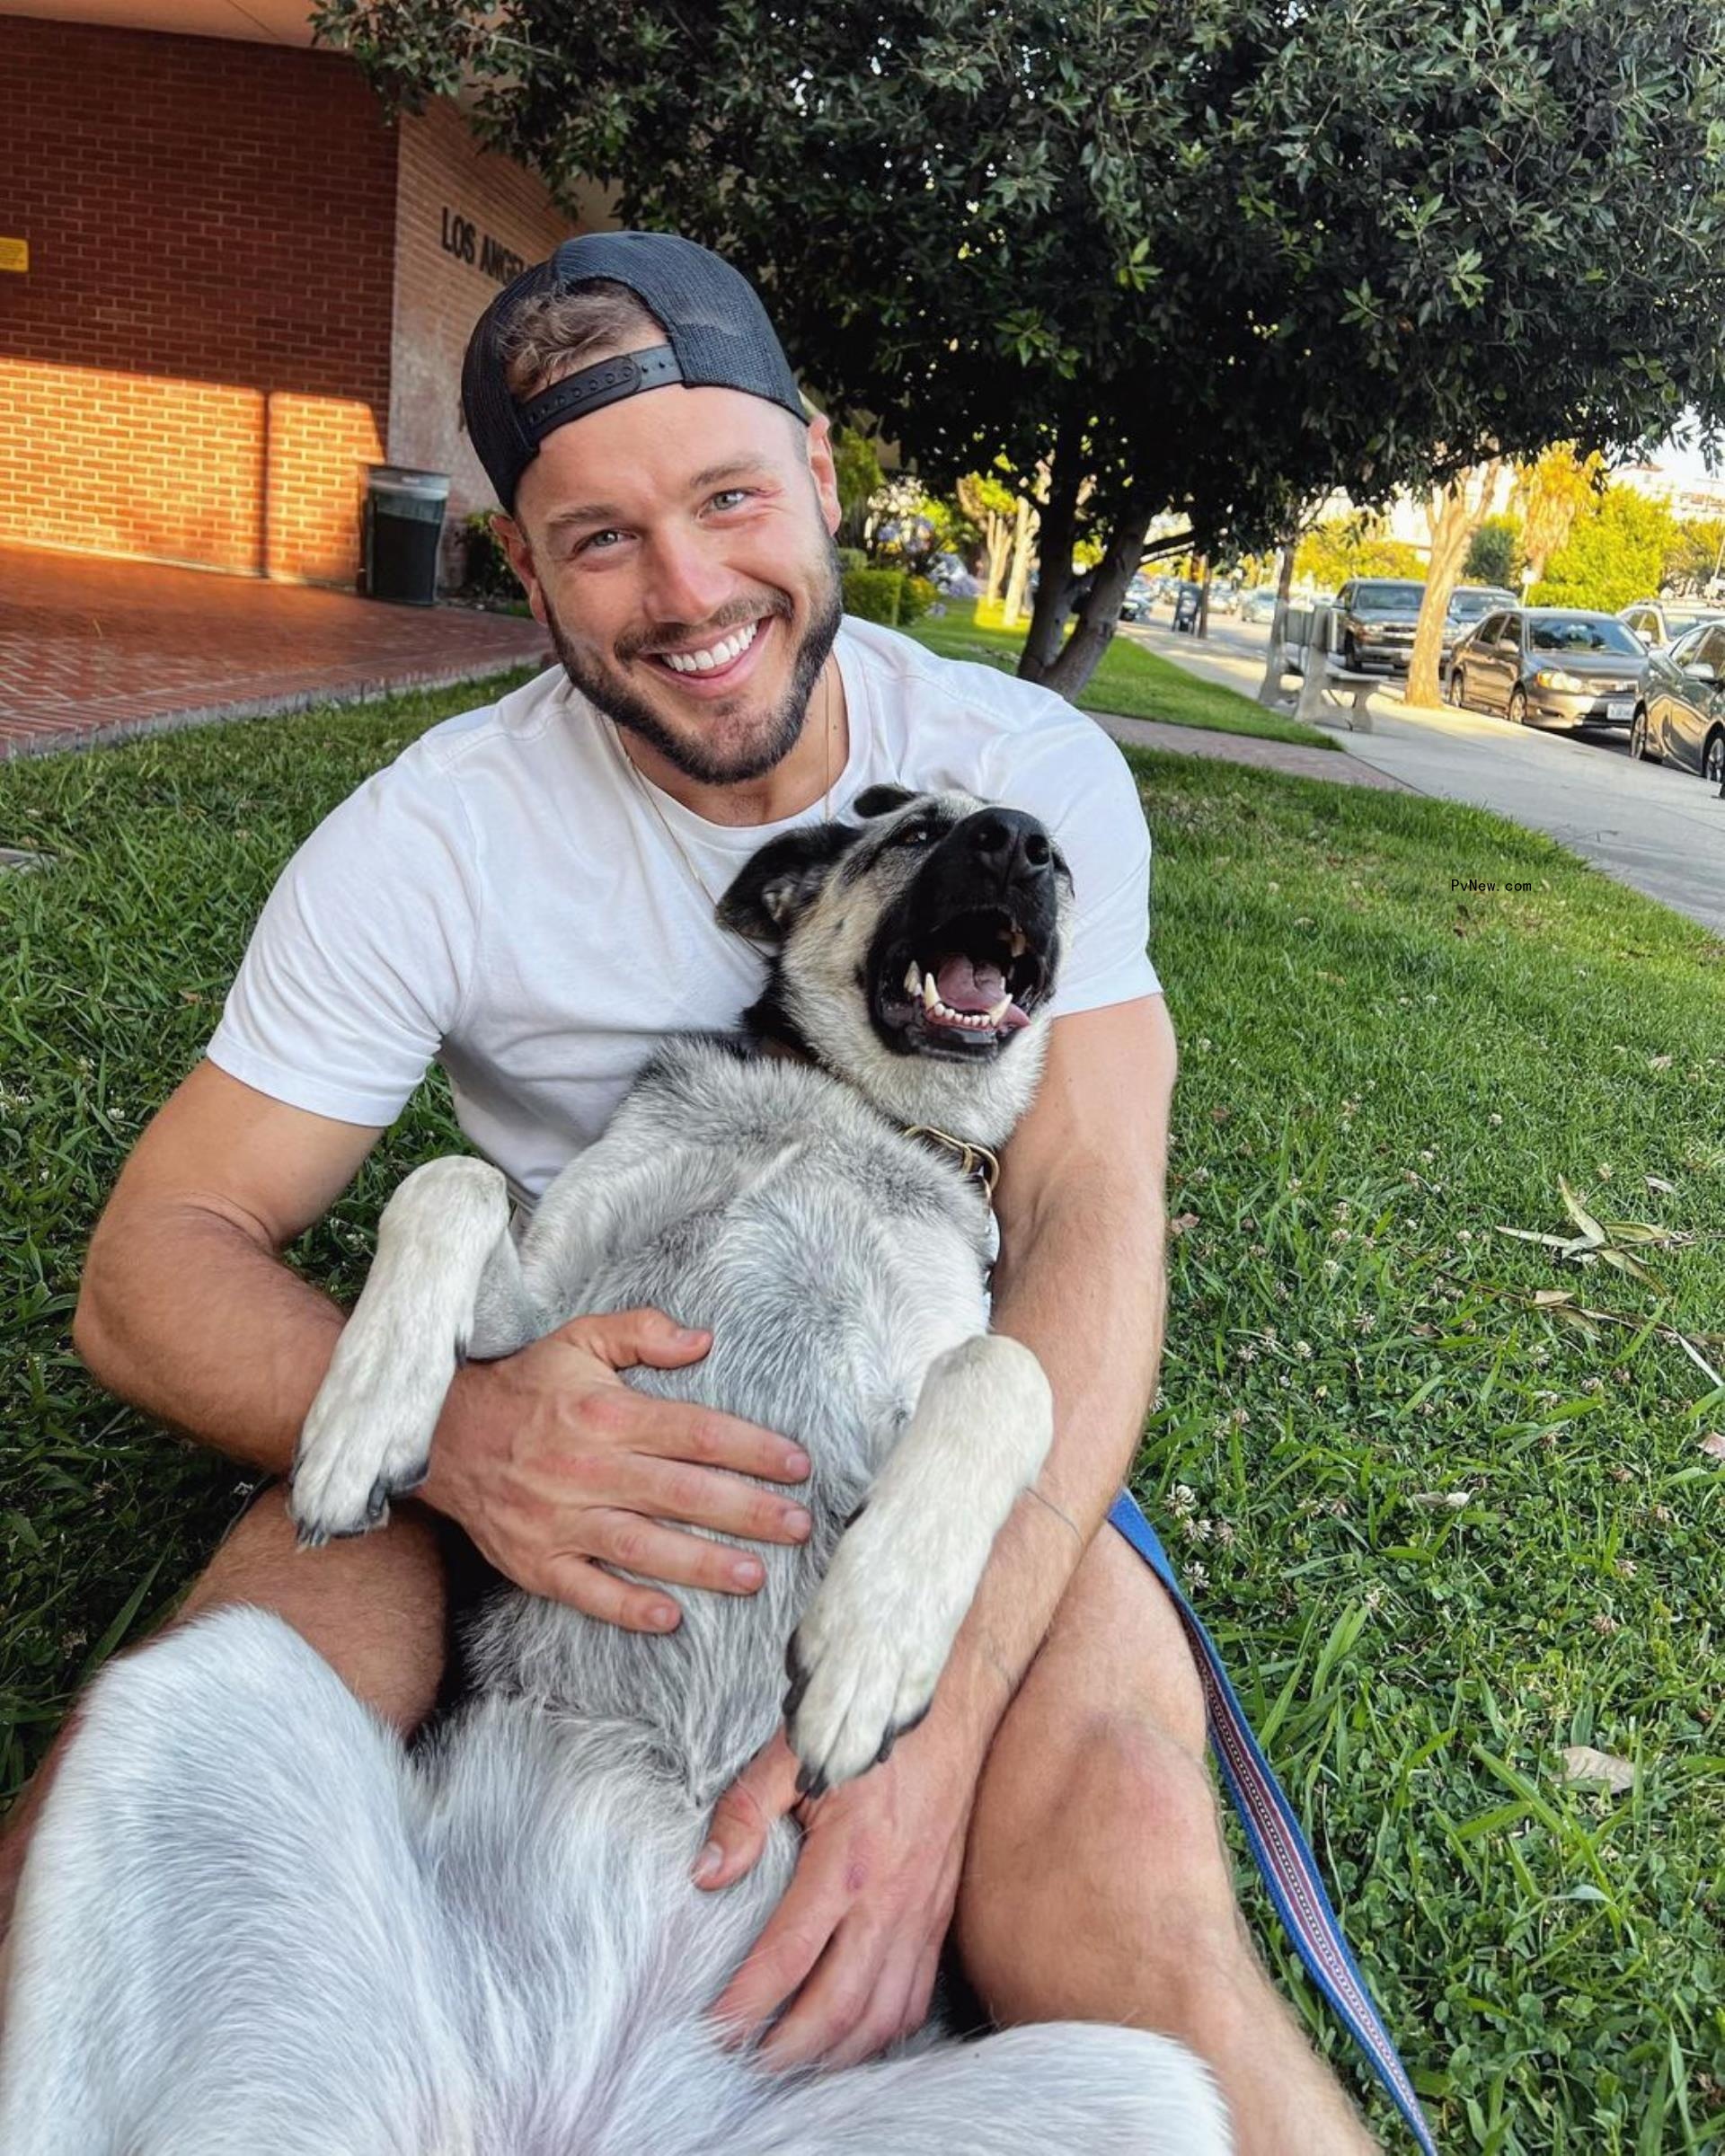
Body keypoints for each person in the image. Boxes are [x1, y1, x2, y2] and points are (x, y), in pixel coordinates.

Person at [0, 234, 1375, 2150]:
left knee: (1133, 1889)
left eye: (728, 499)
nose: (690, 589)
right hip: (548, 1388)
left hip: (920, 1412)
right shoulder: (430, 839)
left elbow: (1088, 1213)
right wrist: (469, 1437)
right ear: (526, 565)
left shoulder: (1022, 765)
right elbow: (148, 1271)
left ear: (820, 479)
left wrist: (935, 1721)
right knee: (202, 1712)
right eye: (601, 539)